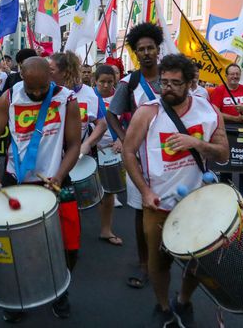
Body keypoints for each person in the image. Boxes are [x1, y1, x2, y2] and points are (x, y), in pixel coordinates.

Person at [122, 54, 228, 327]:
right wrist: (144, 191)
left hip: (197, 202)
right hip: (158, 204)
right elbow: (129, 152)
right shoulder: (148, 112)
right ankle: (163, 306)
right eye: (163, 82)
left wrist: (197, 143)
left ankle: (183, 300)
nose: (167, 87)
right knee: (159, 263)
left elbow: (224, 154)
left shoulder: (208, 112)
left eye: (175, 83)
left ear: (191, 83)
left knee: (199, 262)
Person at [0, 57, 82, 322]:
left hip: (56, 179)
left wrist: (60, 175)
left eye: (42, 88)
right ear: (22, 78)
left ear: (50, 77)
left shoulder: (67, 100)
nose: (38, 94)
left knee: (69, 245)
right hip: (17, 179)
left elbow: (74, 145)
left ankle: (59, 289)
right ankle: (17, 298)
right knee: (16, 246)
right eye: (33, 89)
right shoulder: (10, 98)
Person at [106, 22, 164, 289]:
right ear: (135, 53)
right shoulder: (129, 83)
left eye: (150, 47)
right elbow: (111, 114)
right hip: (139, 158)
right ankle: (144, 264)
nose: (146, 53)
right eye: (141, 49)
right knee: (142, 210)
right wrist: (124, 138)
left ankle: (170, 258)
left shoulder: (173, 78)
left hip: (172, 156)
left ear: (158, 49)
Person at [210, 63, 243, 202]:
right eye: (232, 74)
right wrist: (235, 118)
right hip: (226, 133)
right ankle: (226, 199)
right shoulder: (219, 90)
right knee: (226, 167)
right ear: (226, 76)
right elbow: (215, 112)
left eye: (237, 74)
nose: (235, 76)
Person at [94, 64, 123, 243]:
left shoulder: (120, 98)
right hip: (91, 149)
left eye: (110, 82)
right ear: (94, 81)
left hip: (112, 150)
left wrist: (122, 139)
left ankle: (106, 229)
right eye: (102, 82)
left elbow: (128, 121)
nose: (106, 86)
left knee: (109, 192)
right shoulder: (90, 97)